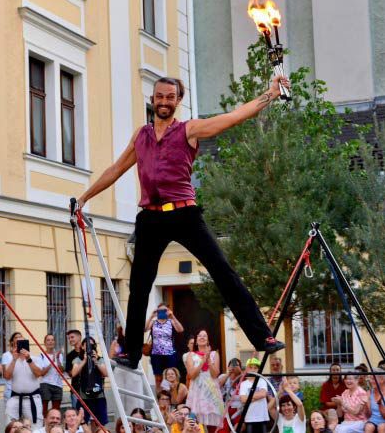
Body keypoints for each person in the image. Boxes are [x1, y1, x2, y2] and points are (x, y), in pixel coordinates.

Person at [75, 75, 289, 369]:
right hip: (150, 216)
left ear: (178, 101)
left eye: (170, 97)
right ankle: (132, 352)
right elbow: (115, 169)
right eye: (159, 96)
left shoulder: (189, 130)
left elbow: (233, 117)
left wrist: (270, 94)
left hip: (184, 213)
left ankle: (261, 336)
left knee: (223, 271)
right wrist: (85, 197)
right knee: (139, 285)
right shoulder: (141, 136)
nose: (164, 102)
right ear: (152, 100)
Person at [2, 335, 46, 428]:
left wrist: (28, 359)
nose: (20, 347)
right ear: (14, 346)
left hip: (33, 398)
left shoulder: (35, 359)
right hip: (15, 398)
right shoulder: (11, 361)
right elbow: (7, 376)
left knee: (35, 427)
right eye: (17, 344)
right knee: (10, 425)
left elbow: (39, 374)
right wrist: (14, 359)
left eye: (22, 343)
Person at [185, 330, 224, 432]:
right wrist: (202, 361)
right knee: (196, 421)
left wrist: (209, 360)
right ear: (196, 341)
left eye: (205, 336)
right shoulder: (190, 356)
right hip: (197, 390)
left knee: (212, 423)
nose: (202, 337)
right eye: (200, 336)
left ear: (208, 341)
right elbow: (192, 375)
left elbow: (215, 374)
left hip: (211, 390)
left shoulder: (214, 354)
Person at [71, 337, 108, 427]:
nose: (89, 347)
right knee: (82, 423)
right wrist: (84, 360)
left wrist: (95, 361)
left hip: (98, 396)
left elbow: (106, 373)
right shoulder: (78, 360)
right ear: (82, 347)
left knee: (100, 423)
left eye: (91, 345)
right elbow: (74, 373)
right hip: (84, 397)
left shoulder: (100, 359)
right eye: (87, 345)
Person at [145, 303, 184, 390]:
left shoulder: (171, 321)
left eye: (164, 310)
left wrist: (172, 316)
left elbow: (180, 329)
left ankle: (171, 398)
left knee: (171, 377)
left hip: (169, 354)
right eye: (160, 311)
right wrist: (151, 316)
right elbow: (145, 329)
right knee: (158, 378)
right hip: (156, 354)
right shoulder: (153, 322)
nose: (162, 312)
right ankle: (160, 400)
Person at [109, 326, 143, 415]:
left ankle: (136, 418)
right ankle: (121, 420)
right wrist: (118, 354)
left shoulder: (136, 341)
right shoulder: (116, 342)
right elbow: (111, 357)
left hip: (132, 370)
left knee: (134, 397)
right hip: (120, 370)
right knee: (120, 396)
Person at [239, 357, 269, 433]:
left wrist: (248, 399)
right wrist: (257, 396)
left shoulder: (262, 381)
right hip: (249, 417)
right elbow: (242, 399)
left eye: (255, 368)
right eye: (251, 367)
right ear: (247, 369)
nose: (253, 370)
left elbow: (263, 394)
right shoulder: (243, 384)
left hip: (262, 417)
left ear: (259, 370)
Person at [39, 334, 64, 417]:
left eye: (52, 340)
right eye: (48, 340)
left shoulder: (59, 355)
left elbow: (61, 371)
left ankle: (55, 428)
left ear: (55, 342)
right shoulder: (41, 355)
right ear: (45, 343)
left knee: (56, 411)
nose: (50, 342)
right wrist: (52, 361)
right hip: (45, 384)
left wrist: (57, 358)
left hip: (58, 384)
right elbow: (42, 373)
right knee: (44, 410)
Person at [218, 358, 243, 433]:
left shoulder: (242, 378)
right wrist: (229, 373)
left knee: (241, 425)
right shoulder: (223, 376)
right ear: (228, 367)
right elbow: (217, 386)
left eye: (236, 365)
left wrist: (240, 373)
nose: (234, 367)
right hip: (224, 408)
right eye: (232, 365)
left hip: (238, 408)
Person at [2, 332, 23, 401]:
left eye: (20, 337)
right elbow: (5, 375)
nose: (18, 339)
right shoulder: (6, 355)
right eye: (16, 337)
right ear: (12, 342)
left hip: (23, 390)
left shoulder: (25, 355)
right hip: (10, 390)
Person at [65, 330, 82, 408]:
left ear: (79, 337)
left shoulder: (87, 351)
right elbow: (70, 374)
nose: (70, 340)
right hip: (76, 389)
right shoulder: (70, 355)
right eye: (69, 338)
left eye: (72, 337)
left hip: (89, 390)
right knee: (76, 414)